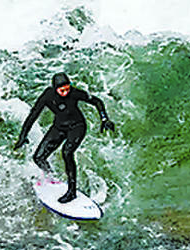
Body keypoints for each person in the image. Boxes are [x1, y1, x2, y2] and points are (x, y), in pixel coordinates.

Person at [14, 72, 115, 203]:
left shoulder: (74, 93)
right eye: (62, 90)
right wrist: (23, 136)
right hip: (59, 127)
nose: (66, 92)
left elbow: (97, 101)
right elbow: (33, 115)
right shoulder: (48, 96)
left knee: (67, 153)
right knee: (38, 157)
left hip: (77, 127)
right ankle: (51, 178)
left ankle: (72, 191)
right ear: (55, 89)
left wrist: (104, 118)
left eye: (67, 88)